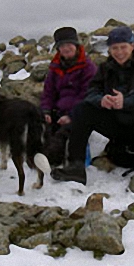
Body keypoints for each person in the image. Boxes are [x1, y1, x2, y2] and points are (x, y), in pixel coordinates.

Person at [51, 25, 134, 184]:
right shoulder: (106, 68)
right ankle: (76, 166)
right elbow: (91, 91)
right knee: (82, 109)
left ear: (132, 46)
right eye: (114, 48)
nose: (119, 52)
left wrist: (126, 102)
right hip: (116, 125)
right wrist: (101, 100)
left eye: (123, 47)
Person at [40, 27, 97, 166]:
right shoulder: (55, 67)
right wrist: (46, 111)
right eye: (62, 46)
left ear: (76, 45)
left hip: (78, 113)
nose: (66, 49)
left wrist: (70, 115)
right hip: (57, 112)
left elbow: (87, 95)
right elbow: (48, 91)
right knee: (41, 129)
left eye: (69, 44)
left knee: (62, 136)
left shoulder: (88, 67)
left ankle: (51, 160)